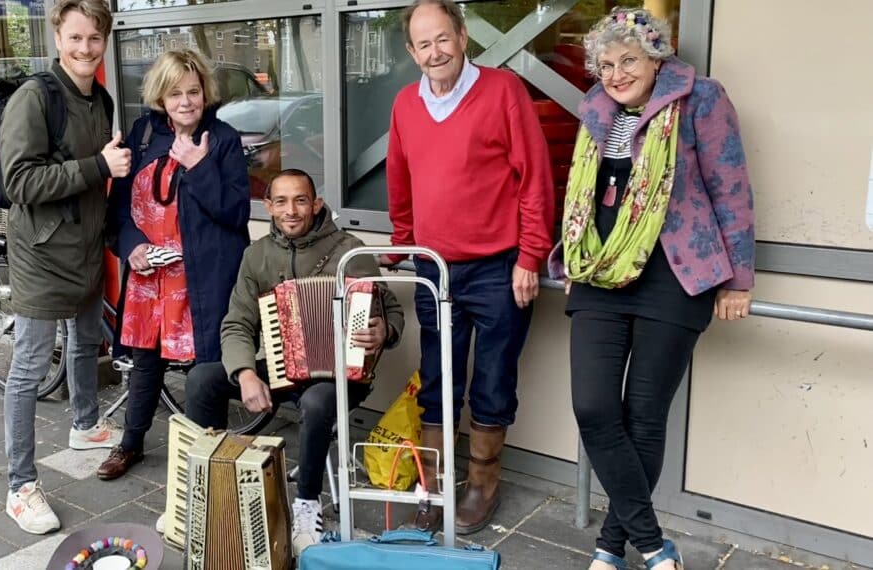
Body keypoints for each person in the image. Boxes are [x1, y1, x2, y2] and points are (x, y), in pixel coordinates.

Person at [549, 8, 755, 570]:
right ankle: (653, 545)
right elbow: (583, 196)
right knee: (593, 407)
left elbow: (731, 188)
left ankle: (611, 547)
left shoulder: (701, 99)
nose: (615, 74)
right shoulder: (597, 109)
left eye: (628, 60)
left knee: (643, 416)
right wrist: (572, 259)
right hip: (600, 271)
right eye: (605, 65)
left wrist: (738, 278)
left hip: (676, 273)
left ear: (656, 56)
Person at [384, 0, 555, 534]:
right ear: (412, 52)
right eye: (423, 44)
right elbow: (400, 182)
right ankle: (432, 487)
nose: (435, 51)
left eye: (443, 38)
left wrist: (530, 255)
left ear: (462, 37)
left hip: (498, 267)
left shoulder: (503, 91)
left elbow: (535, 179)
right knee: (436, 378)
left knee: (493, 380)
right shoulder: (406, 104)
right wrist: (403, 243)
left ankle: (482, 486)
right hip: (434, 268)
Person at [183, 169, 405, 554]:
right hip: (282, 366)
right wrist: (246, 372)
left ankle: (306, 504)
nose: (291, 211)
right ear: (268, 207)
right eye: (281, 202)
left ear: (316, 204)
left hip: (341, 372)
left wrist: (384, 331)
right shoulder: (257, 255)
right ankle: (211, 486)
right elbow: (237, 321)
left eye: (301, 200)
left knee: (318, 401)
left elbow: (391, 309)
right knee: (202, 379)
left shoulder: (350, 250)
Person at [0, 0, 131, 535]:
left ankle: (84, 424)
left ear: (105, 42)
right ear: (58, 37)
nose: (85, 49)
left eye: (95, 39)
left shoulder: (100, 97)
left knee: (84, 340)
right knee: (28, 366)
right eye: (75, 38)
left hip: (84, 247)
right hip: (41, 254)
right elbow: (19, 184)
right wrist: (98, 166)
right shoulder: (35, 97)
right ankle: (20, 486)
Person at [97, 49, 251, 481]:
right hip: (151, 275)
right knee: (146, 363)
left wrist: (199, 167)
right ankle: (130, 444)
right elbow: (120, 209)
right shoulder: (143, 135)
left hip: (205, 278)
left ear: (205, 93)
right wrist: (131, 246)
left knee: (207, 366)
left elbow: (235, 213)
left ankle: (211, 456)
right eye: (175, 93)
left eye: (194, 91)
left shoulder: (221, 140)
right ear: (160, 99)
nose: (186, 101)